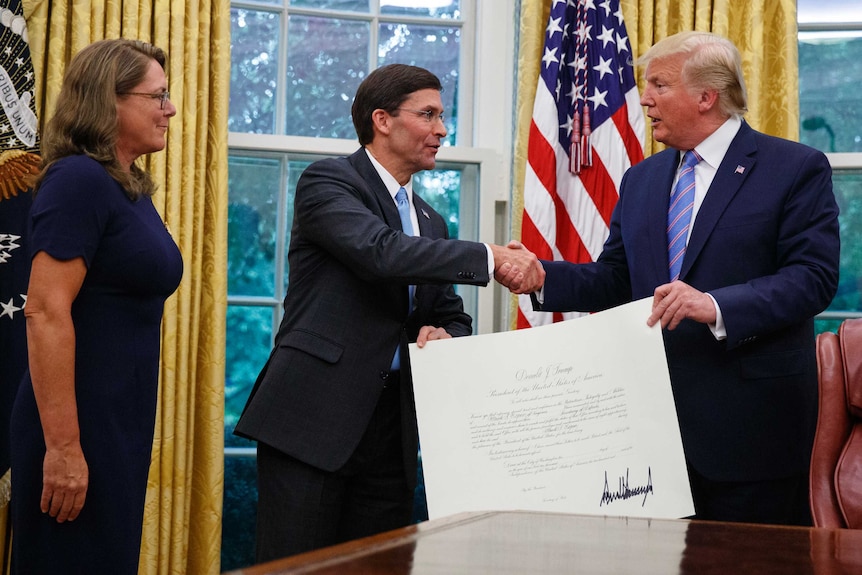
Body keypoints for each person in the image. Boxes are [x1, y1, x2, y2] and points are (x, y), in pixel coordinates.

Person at [503, 31, 840, 525]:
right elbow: (617, 279)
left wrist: (717, 305)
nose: (644, 98)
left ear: (707, 96)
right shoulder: (643, 178)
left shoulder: (794, 168)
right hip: (650, 432)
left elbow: (812, 279)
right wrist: (540, 278)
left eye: (659, 85)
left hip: (751, 430)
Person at [234, 63, 544, 561]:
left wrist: (447, 333)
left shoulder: (431, 220)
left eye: (443, 117)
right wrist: (490, 257)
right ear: (382, 119)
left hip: (392, 432)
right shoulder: (329, 182)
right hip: (314, 423)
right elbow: (380, 252)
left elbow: (451, 312)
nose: (442, 130)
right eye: (429, 115)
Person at [10, 39, 182, 574]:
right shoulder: (78, 180)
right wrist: (62, 448)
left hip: (116, 421)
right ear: (108, 102)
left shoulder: (126, 187)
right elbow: (44, 310)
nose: (170, 109)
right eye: (157, 97)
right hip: (74, 425)